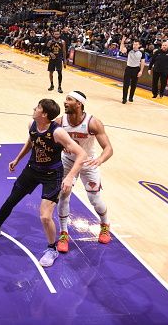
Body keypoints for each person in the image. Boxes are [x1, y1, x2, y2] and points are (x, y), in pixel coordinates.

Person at [0, 99, 86, 267]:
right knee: (11, 200)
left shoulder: (58, 132)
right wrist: (17, 159)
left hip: (52, 174)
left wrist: (70, 177)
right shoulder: (32, 124)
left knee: (45, 216)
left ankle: (52, 249)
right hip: (32, 170)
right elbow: (31, 142)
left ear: (44, 114)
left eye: (38, 107)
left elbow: (81, 154)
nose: (34, 108)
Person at [55, 91, 113, 253]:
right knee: (63, 195)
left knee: (95, 199)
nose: (65, 102)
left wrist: (100, 159)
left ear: (79, 104)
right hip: (68, 162)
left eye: (69, 99)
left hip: (88, 163)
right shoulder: (60, 121)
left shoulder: (93, 123)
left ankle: (105, 225)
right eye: (65, 99)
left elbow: (108, 148)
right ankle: (64, 233)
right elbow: (49, 137)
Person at [119, 37, 145, 103]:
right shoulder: (129, 50)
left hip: (136, 69)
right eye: (134, 44)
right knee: (126, 85)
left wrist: (141, 71)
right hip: (129, 68)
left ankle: (131, 97)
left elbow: (142, 62)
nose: (134, 46)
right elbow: (122, 50)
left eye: (136, 44)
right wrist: (122, 41)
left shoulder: (142, 52)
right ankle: (124, 98)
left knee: (134, 85)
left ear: (139, 45)